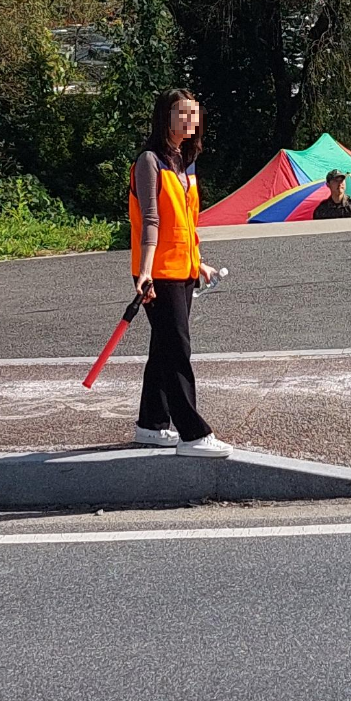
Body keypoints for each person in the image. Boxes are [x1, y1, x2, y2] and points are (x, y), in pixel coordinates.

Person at [130, 87, 223, 449]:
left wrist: (199, 262)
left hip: (182, 268)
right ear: (164, 117)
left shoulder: (183, 161)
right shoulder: (149, 161)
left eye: (193, 113)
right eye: (181, 113)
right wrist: (145, 271)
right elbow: (151, 220)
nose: (189, 120)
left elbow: (186, 221)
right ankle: (193, 433)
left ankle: (152, 424)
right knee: (177, 350)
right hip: (159, 272)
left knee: (164, 348)